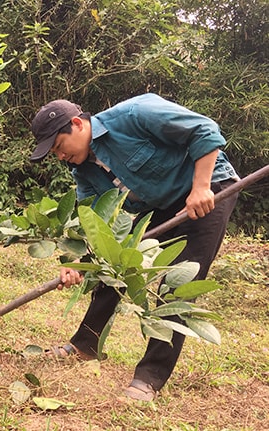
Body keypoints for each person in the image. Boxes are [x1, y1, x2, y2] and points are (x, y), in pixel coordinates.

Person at [30, 93, 239, 401]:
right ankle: (86, 344)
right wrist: (78, 261)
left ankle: (149, 377)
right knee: (112, 264)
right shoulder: (83, 172)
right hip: (162, 205)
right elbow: (97, 224)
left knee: (178, 283)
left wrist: (201, 187)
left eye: (59, 147)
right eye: (53, 154)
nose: (59, 157)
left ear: (77, 124)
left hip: (209, 189)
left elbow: (205, 130)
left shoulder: (136, 113)